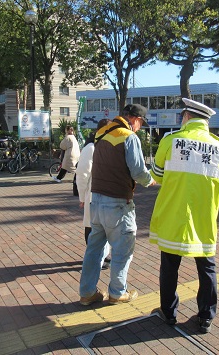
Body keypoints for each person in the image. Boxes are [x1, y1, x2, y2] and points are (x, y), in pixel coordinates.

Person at [149, 98, 219, 334]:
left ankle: (168, 312)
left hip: (173, 215)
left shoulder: (171, 141)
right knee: (207, 268)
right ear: (206, 121)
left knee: (169, 266)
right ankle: (206, 317)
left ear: (186, 116)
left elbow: (159, 174)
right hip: (204, 218)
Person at [79, 104, 156, 306]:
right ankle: (117, 292)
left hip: (96, 202)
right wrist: (150, 180)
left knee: (94, 251)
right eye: (141, 123)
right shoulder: (129, 137)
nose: (140, 127)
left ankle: (87, 293)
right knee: (122, 251)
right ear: (134, 119)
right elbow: (138, 171)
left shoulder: (101, 133)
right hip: (118, 205)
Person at [76, 118, 111, 270]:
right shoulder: (90, 148)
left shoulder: (105, 146)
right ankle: (93, 259)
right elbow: (82, 174)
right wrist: (82, 197)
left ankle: (101, 256)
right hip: (91, 194)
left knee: (102, 228)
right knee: (91, 227)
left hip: (104, 195)